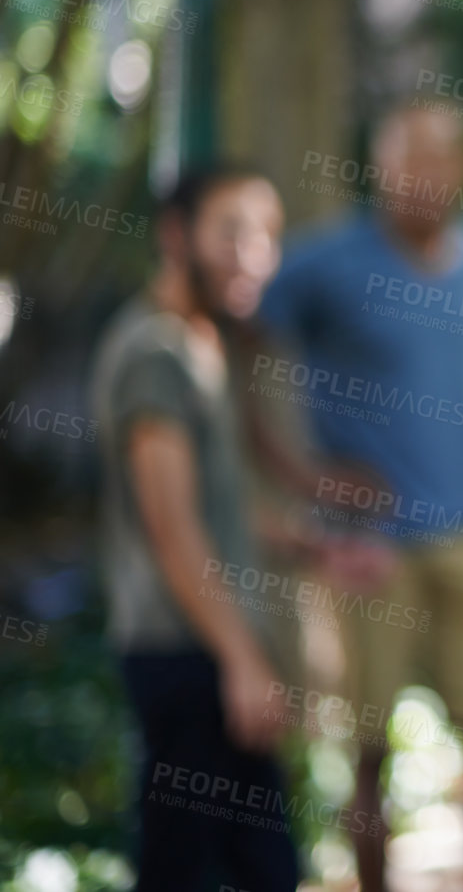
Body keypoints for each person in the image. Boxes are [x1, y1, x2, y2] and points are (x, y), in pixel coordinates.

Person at [252, 102, 463, 892]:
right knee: (369, 752)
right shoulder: (326, 262)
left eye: (436, 160)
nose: (419, 178)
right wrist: (300, 475)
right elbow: (236, 347)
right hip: (367, 544)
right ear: (377, 168)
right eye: (402, 161)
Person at [91, 166, 301, 892]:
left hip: (208, 649)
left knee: (262, 866)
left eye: (268, 235)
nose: (255, 255)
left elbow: (214, 508)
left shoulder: (201, 343)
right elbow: (172, 524)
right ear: (175, 235)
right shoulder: (156, 354)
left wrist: (310, 543)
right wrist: (242, 658)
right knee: (187, 870)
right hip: (183, 654)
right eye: (233, 232)